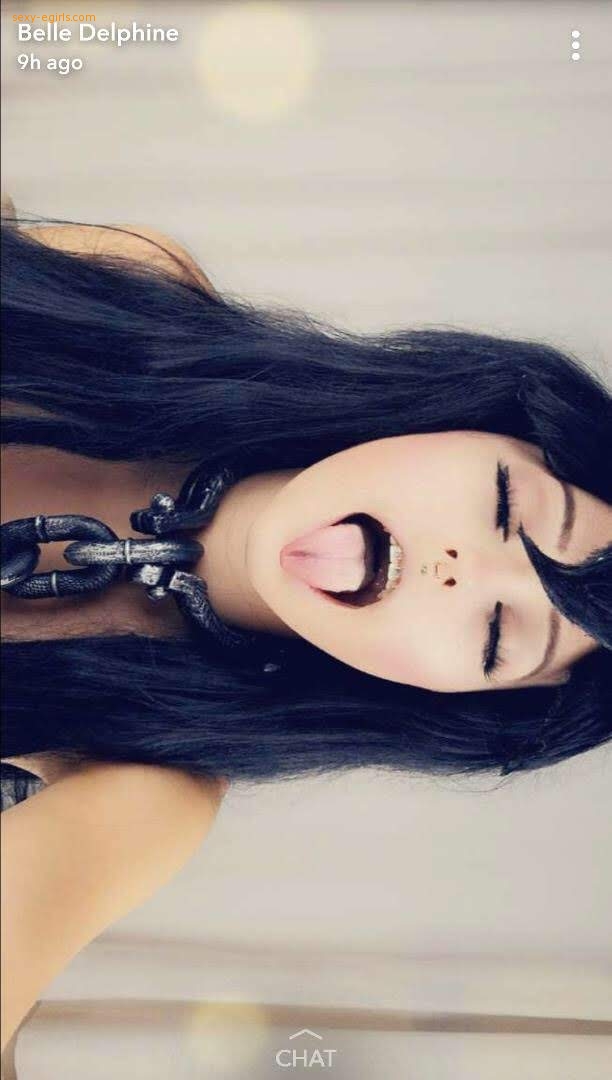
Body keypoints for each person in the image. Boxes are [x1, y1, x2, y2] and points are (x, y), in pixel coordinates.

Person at [1, 207, 610, 1054]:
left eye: (495, 636)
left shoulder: (146, 793)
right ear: (477, 418)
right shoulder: (128, 290)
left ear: (442, 698)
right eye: (507, 506)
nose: (456, 572)